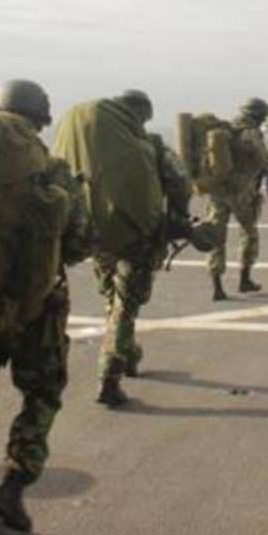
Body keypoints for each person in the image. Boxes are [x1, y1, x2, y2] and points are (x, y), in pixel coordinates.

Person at [0, 80, 90, 535]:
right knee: (41, 395)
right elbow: (79, 244)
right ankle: (12, 490)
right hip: (36, 310)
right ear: (39, 120)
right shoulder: (53, 170)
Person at [88, 90, 194, 407]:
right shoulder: (152, 146)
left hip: (100, 235)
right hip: (138, 237)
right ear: (143, 115)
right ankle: (109, 375)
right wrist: (179, 217)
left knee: (113, 298)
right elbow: (180, 183)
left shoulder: (94, 146)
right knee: (126, 305)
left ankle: (129, 353)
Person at [206, 97, 268, 301]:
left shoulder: (224, 129)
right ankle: (244, 279)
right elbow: (264, 161)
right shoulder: (250, 133)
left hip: (217, 190)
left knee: (216, 237)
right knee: (249, 233)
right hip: (240, 191)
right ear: (258, 115)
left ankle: (217, 286)